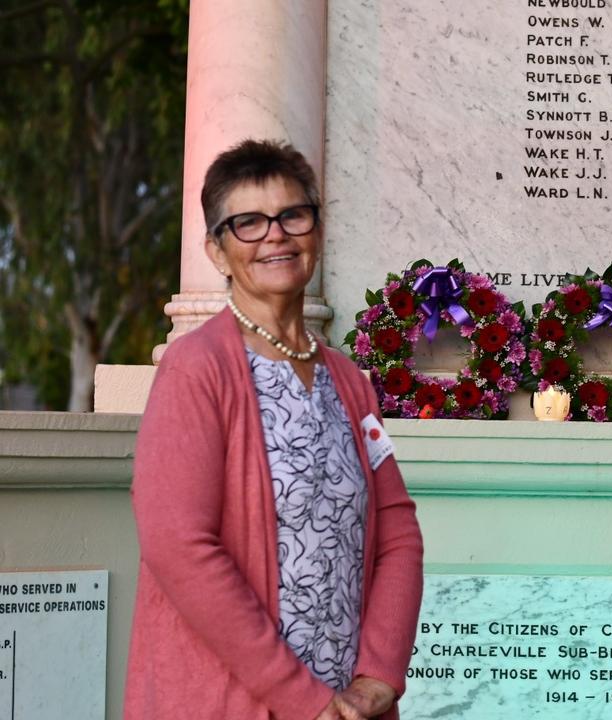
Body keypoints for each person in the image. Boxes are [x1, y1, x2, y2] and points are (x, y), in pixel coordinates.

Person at [126, 139, 424, 720]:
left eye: (293, 214)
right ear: (216, 250)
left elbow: (397, 532)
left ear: (316, 228)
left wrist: (380, 675)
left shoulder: (349, 380)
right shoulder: (197, 370)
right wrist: (301, 699)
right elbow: (179, 547)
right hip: (235, 700)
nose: (275, 235)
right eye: (248, 223)